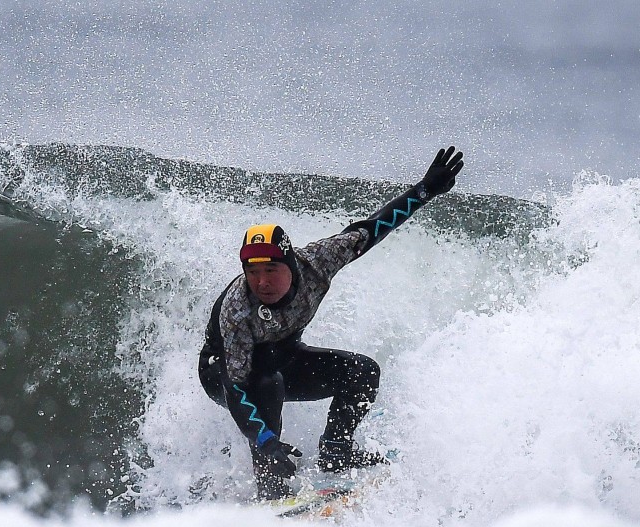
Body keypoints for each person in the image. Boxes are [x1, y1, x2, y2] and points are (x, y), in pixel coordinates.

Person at [198, 147, 465, 500]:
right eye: (252, 272)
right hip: (224, 374)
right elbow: (237, 388)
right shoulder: (237, 309)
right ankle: (270, 489)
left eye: (270, 271)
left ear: (291, 264)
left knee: (362, 370)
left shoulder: (318, 262)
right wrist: (266, 441)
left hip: (282, 355)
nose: (261, 282)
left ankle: (336, 454)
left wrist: (425, 189)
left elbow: (374, 228)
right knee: (266, 383)